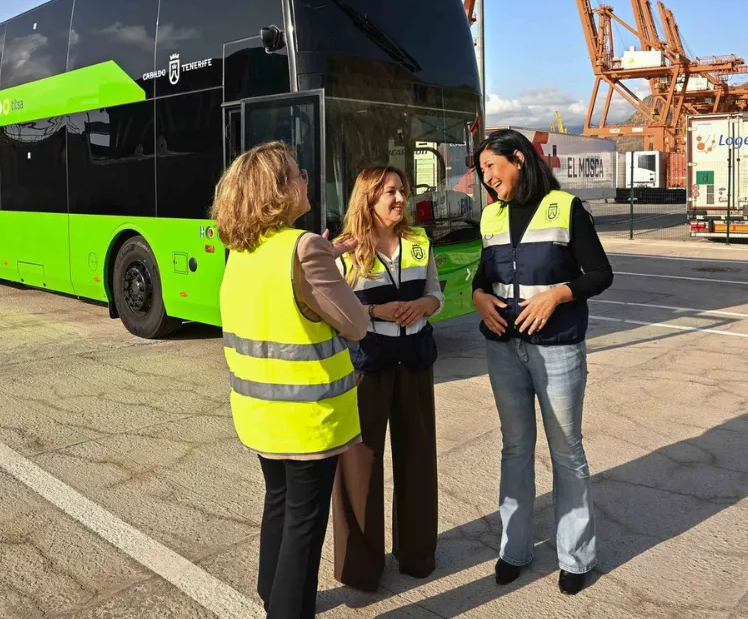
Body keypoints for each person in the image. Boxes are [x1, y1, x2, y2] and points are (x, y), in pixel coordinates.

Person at [212, 140, 369, 619]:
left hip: (260, 412)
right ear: (278, 190)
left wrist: (326, 256)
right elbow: (356, 324)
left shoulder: (241, 250)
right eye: (299, 174)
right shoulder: (302, 248)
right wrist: (331, 263)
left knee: (278, 503)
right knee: (305, 523)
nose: (306, 180)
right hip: (307, 418)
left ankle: (270, 591)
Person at [470, 128, 613, 595]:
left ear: (518, 158)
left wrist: (557, 295)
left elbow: (600, 274)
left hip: (557, 349)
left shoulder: (565, 208)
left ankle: (576, 556)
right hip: (503, 350)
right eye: (482, 170)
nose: (486, 177)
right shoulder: (490, 217)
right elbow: (483, 273)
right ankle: (515, 549)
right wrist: (477, 297)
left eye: (491, 166)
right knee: (515, 447)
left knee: (566, 451)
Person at [330, 165, 444, 591]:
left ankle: (418, 556)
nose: (400, 199)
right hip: (367, 365)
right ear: (368, 199)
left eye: (402, 191)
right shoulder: (346, 252)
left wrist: (425, 306)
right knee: (360, 466)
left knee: (418, 458)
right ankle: (360, 569)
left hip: (414, 361)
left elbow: (436, 291)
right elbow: (334, 312)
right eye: (389, 192)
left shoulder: (417, 242)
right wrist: (375, 312)